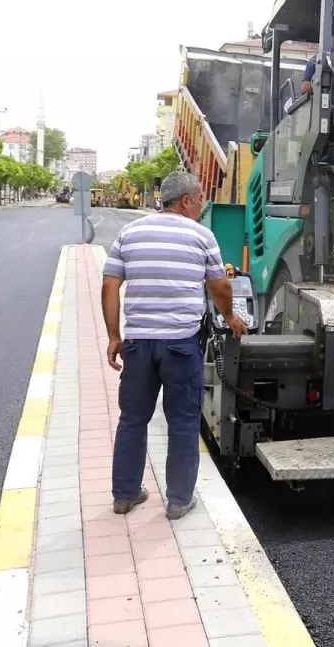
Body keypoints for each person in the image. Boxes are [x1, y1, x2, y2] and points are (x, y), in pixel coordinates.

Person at [101, 171, 247, 520]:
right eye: (198, 199)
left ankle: (124, 495)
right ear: (185, 201)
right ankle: (179, 500)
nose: (200, 205)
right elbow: (220, 287)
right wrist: (230, 317)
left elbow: (110, 285)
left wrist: (113, 336)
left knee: (133, 419)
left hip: (137, 344)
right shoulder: (201, 236)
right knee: (182, 422)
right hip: (181, 345)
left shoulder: (130, 232)